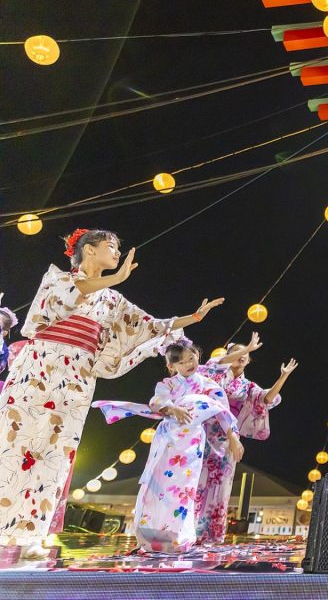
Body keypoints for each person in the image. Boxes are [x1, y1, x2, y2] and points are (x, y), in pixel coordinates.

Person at [0, 229, 222, 557]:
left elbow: (148, 325)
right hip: (41, 366)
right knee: (15, 444)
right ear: (89, 250)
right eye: (111, 246)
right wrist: (116, 278)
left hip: (78, 375)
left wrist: (193, 317)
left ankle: (28, 535)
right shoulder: (58, 278)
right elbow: (70, 295)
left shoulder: (113, 300)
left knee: (55, 455)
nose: (117, 253)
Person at [94, 340, 244, 552]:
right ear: (171, 366)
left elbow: (223, 412)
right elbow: (157, 402)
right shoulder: (167, 384)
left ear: (197, 356)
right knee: (158, 485)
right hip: (167, 440)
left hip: (192, 441)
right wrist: (172, 409)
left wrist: (233, 438)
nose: (188, 364)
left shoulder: (209, 385)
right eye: (181, 362)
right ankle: (149, 537)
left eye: (191, 358)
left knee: (185, 488)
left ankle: (179, 538)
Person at [195, 333, 296, 544]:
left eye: (246, 355)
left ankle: (210, 536)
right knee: (195, 481)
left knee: (221, 485)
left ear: (249, 361)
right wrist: (248, 347)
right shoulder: (216, 373)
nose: (241, 356)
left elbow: (266, 399)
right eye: (237, 352)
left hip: (227, 438)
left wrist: (283, 376)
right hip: (202, 431)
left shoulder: (248, 387)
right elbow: (216, 363)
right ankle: (187, 531)